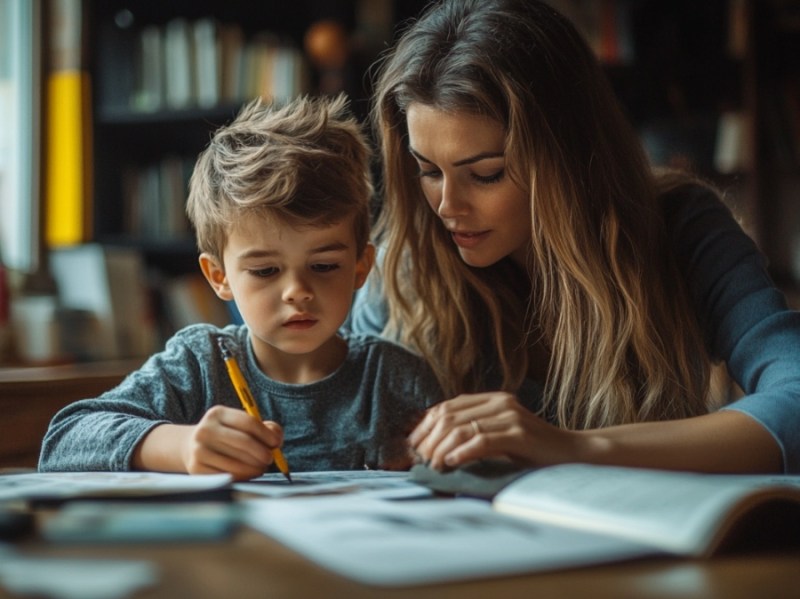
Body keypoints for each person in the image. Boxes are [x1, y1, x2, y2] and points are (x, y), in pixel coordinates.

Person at [349, 0, 800, 474]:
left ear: (565, 157)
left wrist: (575, 447)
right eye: (428, 171)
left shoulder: (680, 227)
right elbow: (307, 388)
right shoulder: (411, 261)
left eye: (486, 174)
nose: (447, 207)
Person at [39, 94, 442, 480]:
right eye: (266, 271)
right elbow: (63, 441)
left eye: (323, 265)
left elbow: (468, 477)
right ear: (219, 277)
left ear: (360, 266)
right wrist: (181, 447)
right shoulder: (200, 365)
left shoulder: (396, 378)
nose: (297, 291)